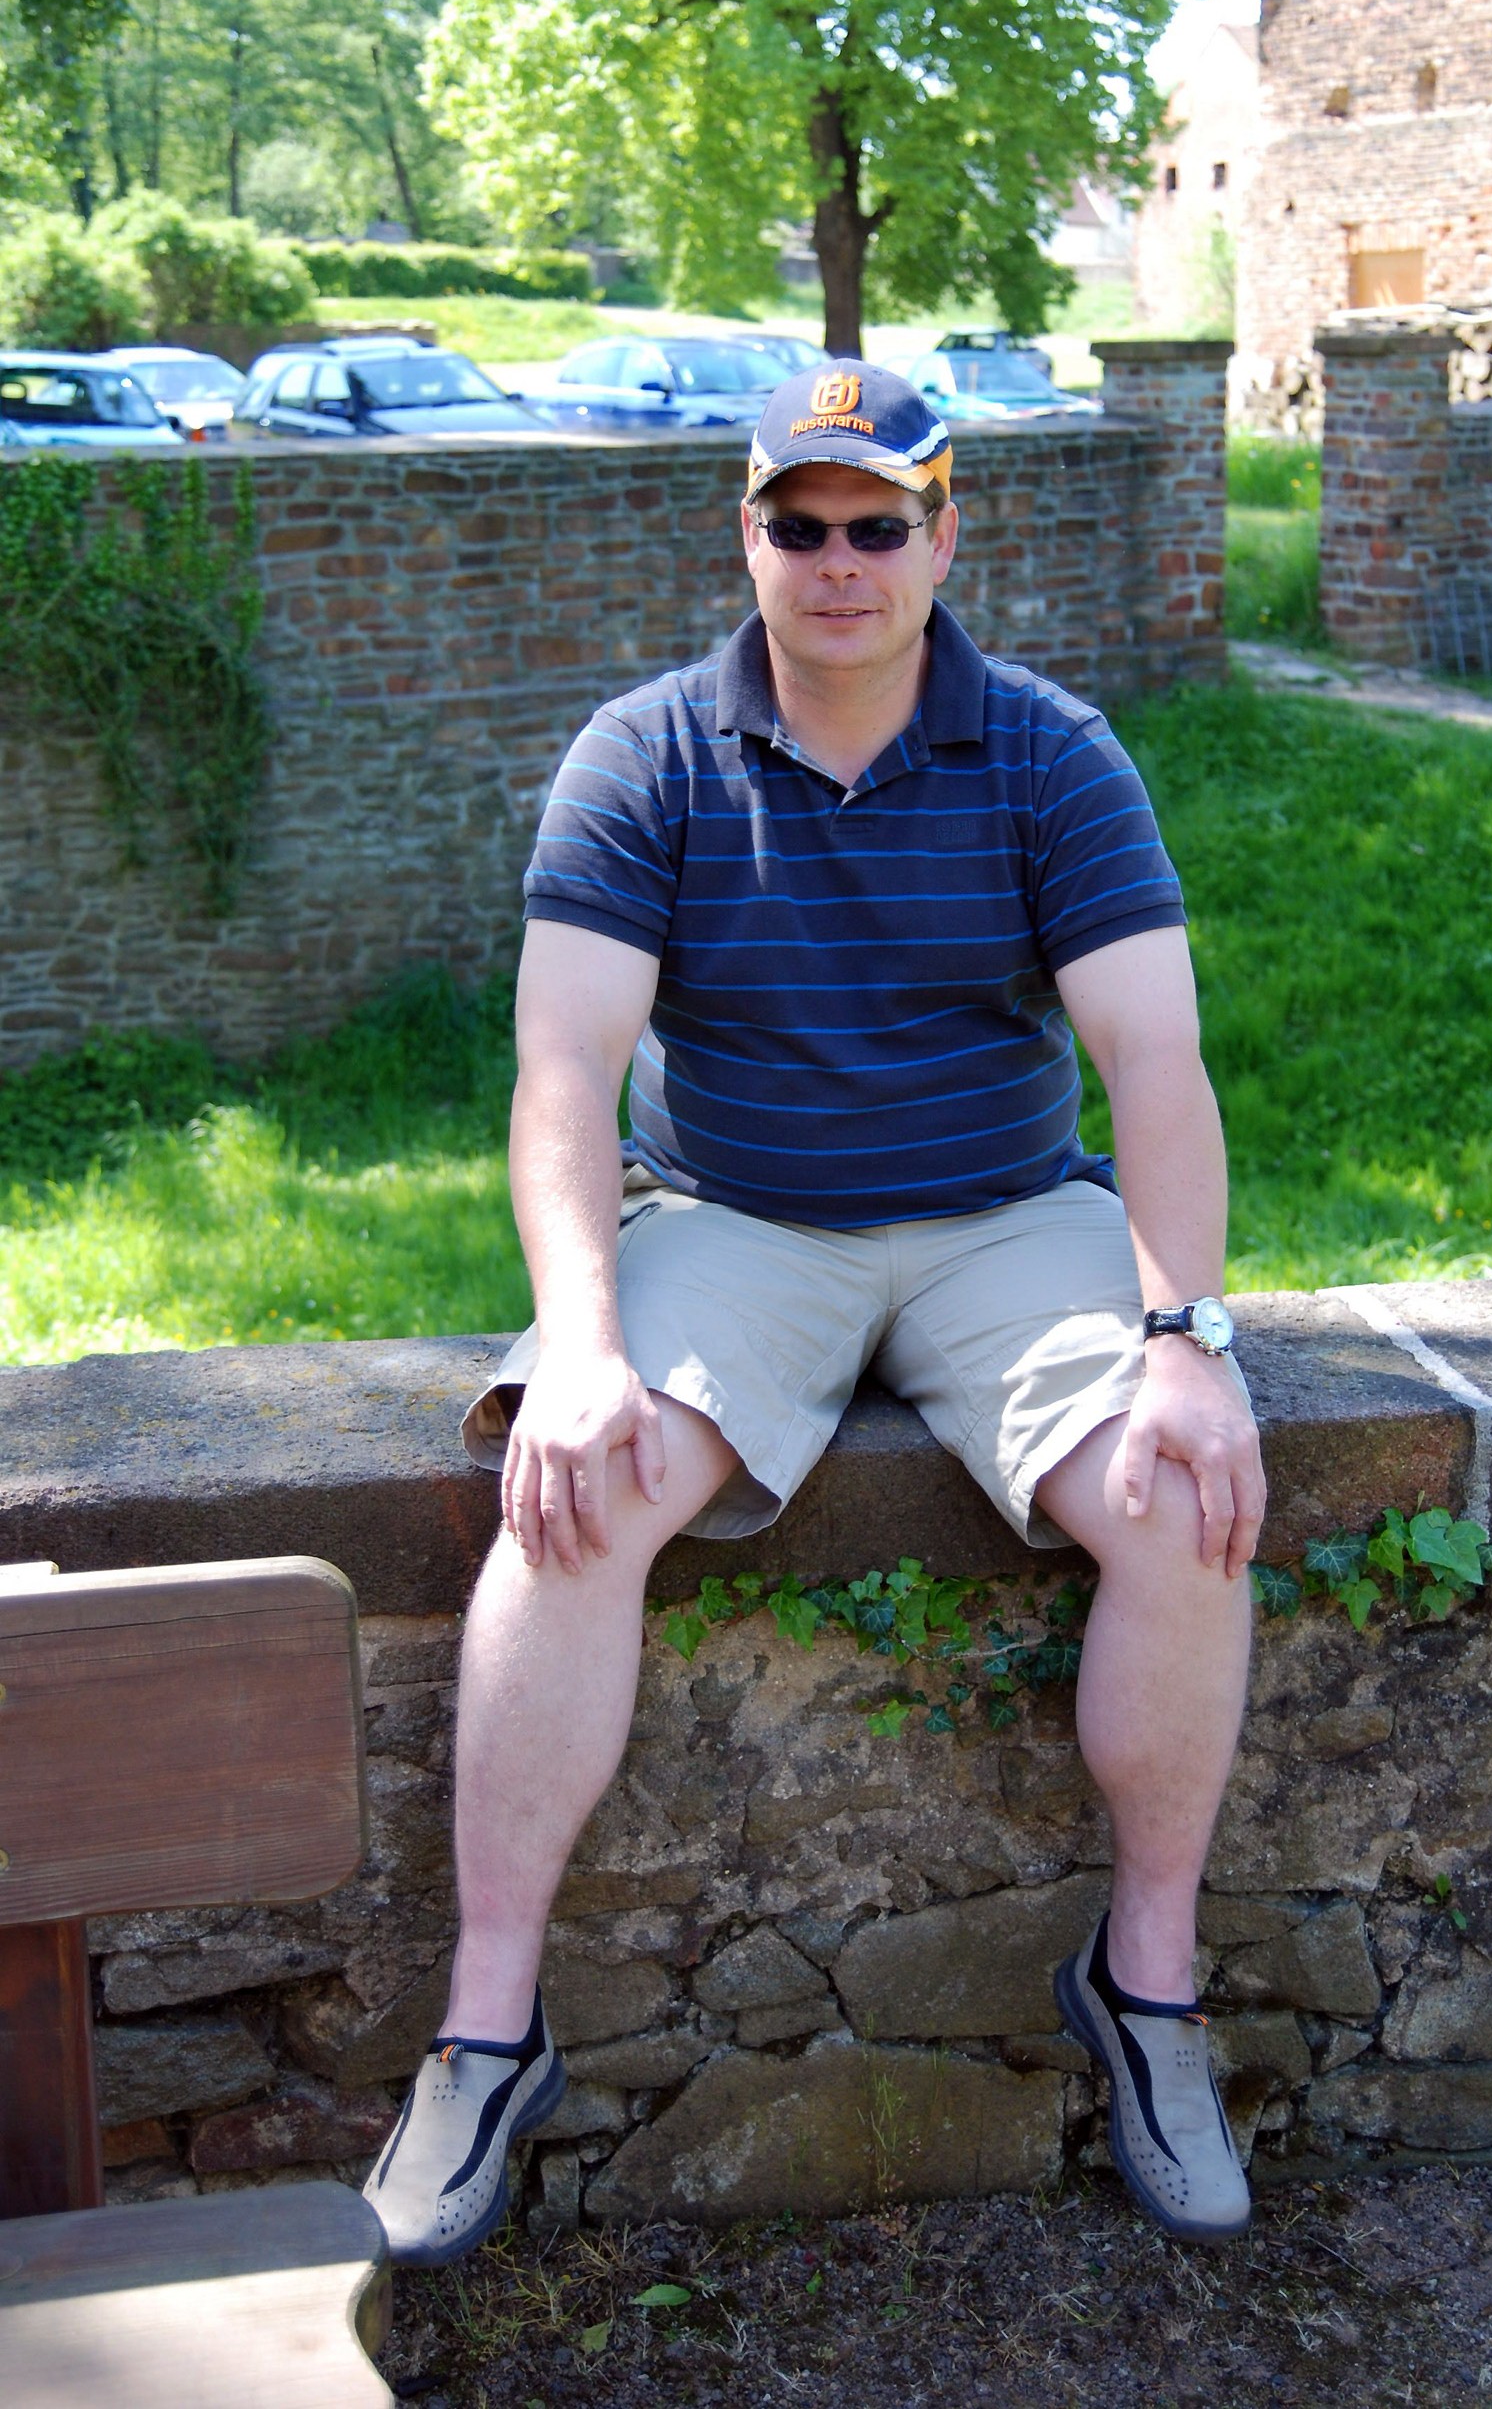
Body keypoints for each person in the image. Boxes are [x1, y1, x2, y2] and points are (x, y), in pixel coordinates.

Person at [363, 360, 1267, 2262]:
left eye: (878, 523)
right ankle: (484, 2030)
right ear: (747, 535)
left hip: (1004, 1216)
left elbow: (1156, 1063)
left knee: (1186, 1495)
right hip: (736, 1217)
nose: (838, 560)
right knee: (573, 1494)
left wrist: (1185, 1336)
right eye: (800, 522)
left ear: (944, 535)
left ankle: (1148, 1989)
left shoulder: (1050, 752)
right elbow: (561, 1072)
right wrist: (580, 1339)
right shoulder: (644, 754)